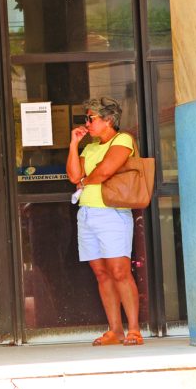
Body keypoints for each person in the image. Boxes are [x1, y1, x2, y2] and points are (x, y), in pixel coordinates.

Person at [65, 97, 143, 346]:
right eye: (86, 118)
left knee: (120, 271)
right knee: (101, 273)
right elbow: (73, 175)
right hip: (88, 213)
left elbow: (106, 171)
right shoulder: (89, 147)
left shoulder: (123, 140)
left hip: (112, 212)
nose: (86, 123)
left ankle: (134, 330)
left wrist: (85, 181)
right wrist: (73, 144)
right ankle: (115, 330)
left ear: (108, 120)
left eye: (91, 118)